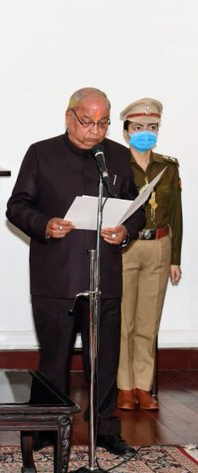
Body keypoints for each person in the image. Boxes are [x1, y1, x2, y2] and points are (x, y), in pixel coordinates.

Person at [6, 87, 144, 458]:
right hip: (57, 277)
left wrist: (125, 230)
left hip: (105, 277)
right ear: (69, 117)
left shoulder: (115, 155)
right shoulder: (41, 153)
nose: (95, 131)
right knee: (54, 358)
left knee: (104, 359)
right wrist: (45, 223)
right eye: (87, 122)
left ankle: (104, 429)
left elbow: (136, 208)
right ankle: (49, 426)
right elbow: (16, 207)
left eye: (102, 123)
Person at [116, 98, 182, 411]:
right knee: (124, 322)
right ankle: (124, 387)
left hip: (159, 246)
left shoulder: (168, 167)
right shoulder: (117, 165)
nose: (146, 132)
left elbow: (175, 215)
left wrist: (175, 258)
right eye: (139, 127)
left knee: (148, 323)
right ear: (127, 132)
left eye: (152, 127)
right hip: (126, 247)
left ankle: (143, 386)